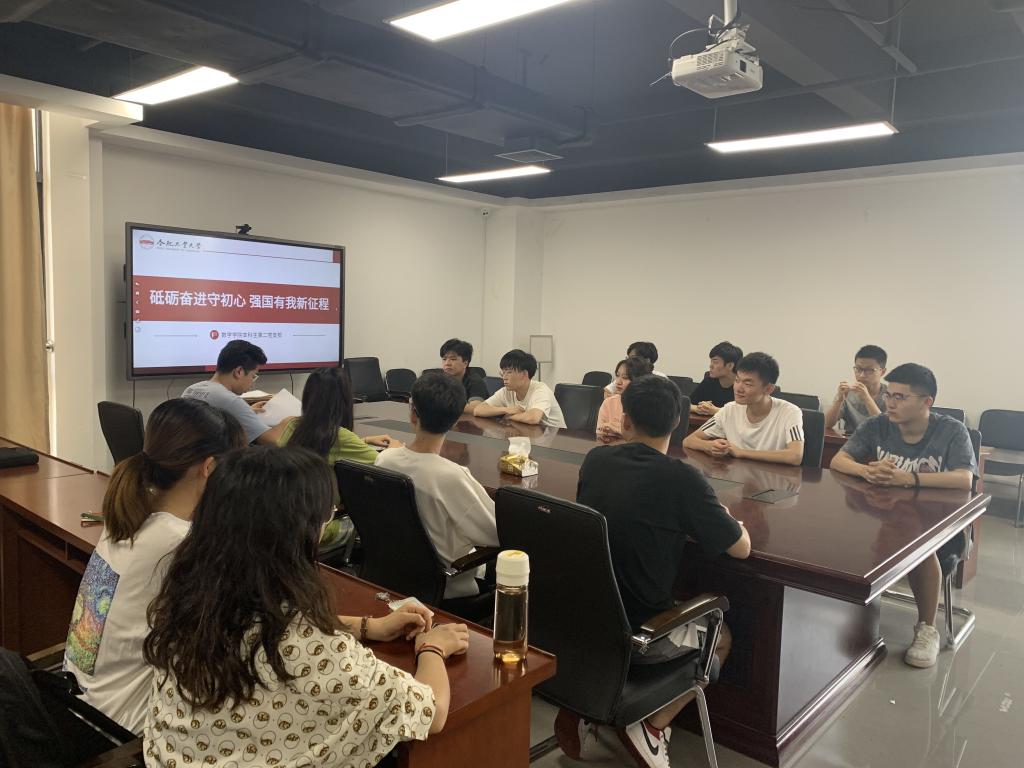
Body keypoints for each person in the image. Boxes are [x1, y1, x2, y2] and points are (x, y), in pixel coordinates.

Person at [143, 446, 470, 768]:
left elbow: (267, 623)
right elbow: (431, 712)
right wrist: (432, 648)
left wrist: (369, 626)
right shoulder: (314, 650)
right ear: (302, 532)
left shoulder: (187, 600)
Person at [568, 376, 751, 767]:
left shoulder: (596, 460)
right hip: (642, 637)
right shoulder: (683, 477)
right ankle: (652, 726)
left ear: (626, 420)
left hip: (587, 624)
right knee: (721, 637)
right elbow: (741, 548)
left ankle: (603, 711)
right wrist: (730, 519)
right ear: (678, 423)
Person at [63, 399, 244, 734]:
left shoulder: (127, 514)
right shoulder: (179, 542)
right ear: (208, 468)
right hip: (118, 731)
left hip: (75, 705)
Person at [829, 363, 976, 669]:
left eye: (900, 397)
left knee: (916, 542)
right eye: (889, 395)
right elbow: (839, 460)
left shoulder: (950, 430)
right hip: (887, 520)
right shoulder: (877, 425)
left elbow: (964, 479)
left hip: (941, 527)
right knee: (843, 533)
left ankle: (927, 628)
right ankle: (858, 614)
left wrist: (908, 479)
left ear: (927, 402)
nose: (890, 403)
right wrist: (866, 470)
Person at [376, 373, 500, 598]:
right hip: (446, 590)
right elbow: (496, 533)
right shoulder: (452, 477)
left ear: (413, 414)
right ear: (455, 421)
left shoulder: (384, 460)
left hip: (391, 579)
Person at [683, 352, 804, 466]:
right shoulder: (729, 410)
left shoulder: (789, 412)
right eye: (737, 380)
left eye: (748, 384)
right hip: (735, 476)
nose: (738, 388)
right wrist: (710, 446)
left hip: (773, 477)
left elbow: (795, 456)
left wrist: (742, 452)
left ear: (768, 389)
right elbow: (689, 440)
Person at [181, 340, 282, 445]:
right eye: (253, 376)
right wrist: (288, 420)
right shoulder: (230, 400)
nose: (252, 383)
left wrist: (246, 411)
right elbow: (272, 441)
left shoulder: (192, 389)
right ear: (239, 371)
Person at [473, 349, 567, 428]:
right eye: (503, 372)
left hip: (557, 438)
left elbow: (533, 418)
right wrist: (506, 410)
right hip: (529, 435)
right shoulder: (507, 391)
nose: (504, 377)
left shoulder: (540, 389)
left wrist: (509, 417)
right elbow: (478, 410)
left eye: (509, 372)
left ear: (524, 374)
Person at [825, 344, 889, 435]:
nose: (862, 375)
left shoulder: (891, 395)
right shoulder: (848, 392)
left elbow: (885, 428)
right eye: (858, 369)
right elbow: (827, 424)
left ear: (882, 372)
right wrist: (839, 400)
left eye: (869, 370)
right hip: (850, 441)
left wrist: (867, 399)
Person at [596, 356, 653, 438]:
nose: (618, 382)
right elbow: (600, 433)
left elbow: (642, 437)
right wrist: (624, 431)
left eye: (625, 378)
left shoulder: (649, 406)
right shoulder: (609, 402)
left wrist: (612, 427)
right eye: (617, 375)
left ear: (640, 379)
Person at [689, 341, 743, 415]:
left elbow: (744, 413)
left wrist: (716, 410)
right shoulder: (709, 381)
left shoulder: (742, 385)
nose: (710, 366)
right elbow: (686, 404)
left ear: (730, 366)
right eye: (711, 361)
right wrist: (697, 408)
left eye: (715, 362)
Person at [440, 338, 489, 414]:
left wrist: (443, 405)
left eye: (453, 359)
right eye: (444, 359)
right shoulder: (439, 380)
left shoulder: (475, 381)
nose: (447, 363)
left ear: (465, 363)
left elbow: (475, 408)